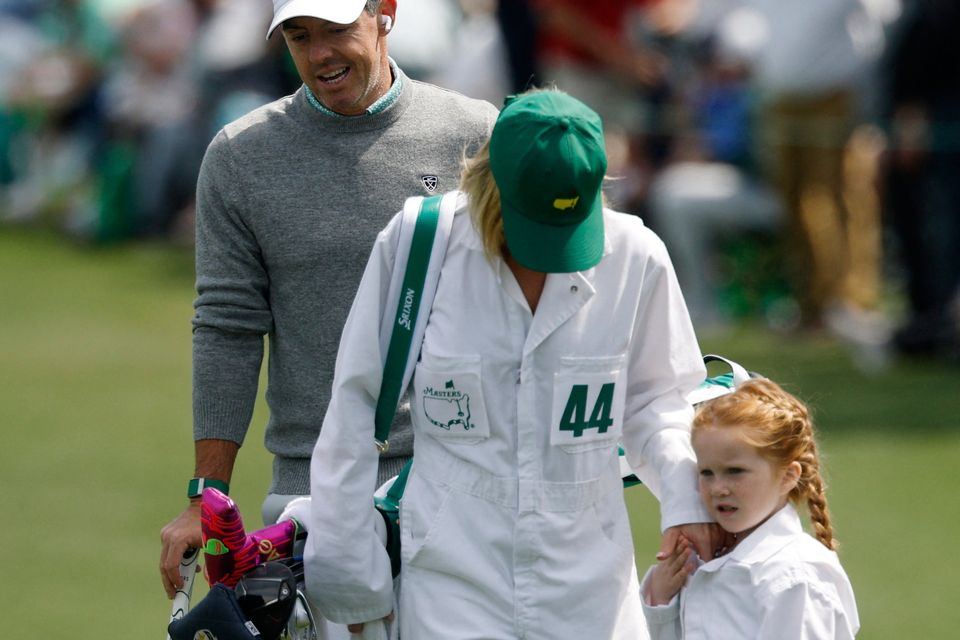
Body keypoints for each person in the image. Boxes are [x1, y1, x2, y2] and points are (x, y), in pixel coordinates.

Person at [306, 89, 720, 639]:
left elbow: (657, 402)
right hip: (451, 584)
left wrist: (684, 498)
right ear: (491, 183)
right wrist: (353, 579)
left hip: (589, 588)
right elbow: (354, 408)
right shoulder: (422, 245)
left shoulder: (635, 256)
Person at [158, 0, 498, 607]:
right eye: (298, 35)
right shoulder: (240, 156)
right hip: (311, 501)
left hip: (463, 486)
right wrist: (203, 498)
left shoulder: (475, 133)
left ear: (384, 13)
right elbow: (226, 327)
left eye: (337, 29)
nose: (319, 55)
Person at [641, 377, 860, 639]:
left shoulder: (794, 576)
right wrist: (662, 603)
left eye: (735, 471)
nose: (718, 488)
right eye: (706, 472)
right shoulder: (702, 561)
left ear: (788, 476)